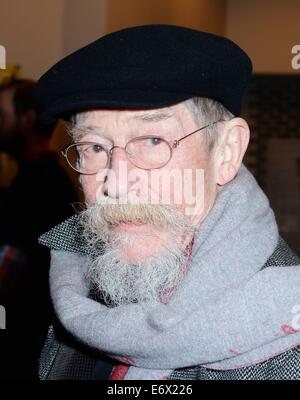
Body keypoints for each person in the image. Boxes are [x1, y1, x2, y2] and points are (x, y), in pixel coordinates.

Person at [36, 25, 300, 380]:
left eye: (152, 140)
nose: (117, 183)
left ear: (226, 151)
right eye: (95, 148)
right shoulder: (77, 283)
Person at [0, 79, 78, 379]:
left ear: (27, 119)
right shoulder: (38, 179)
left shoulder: (39, 187)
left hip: (26, 351)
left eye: (1, 114)